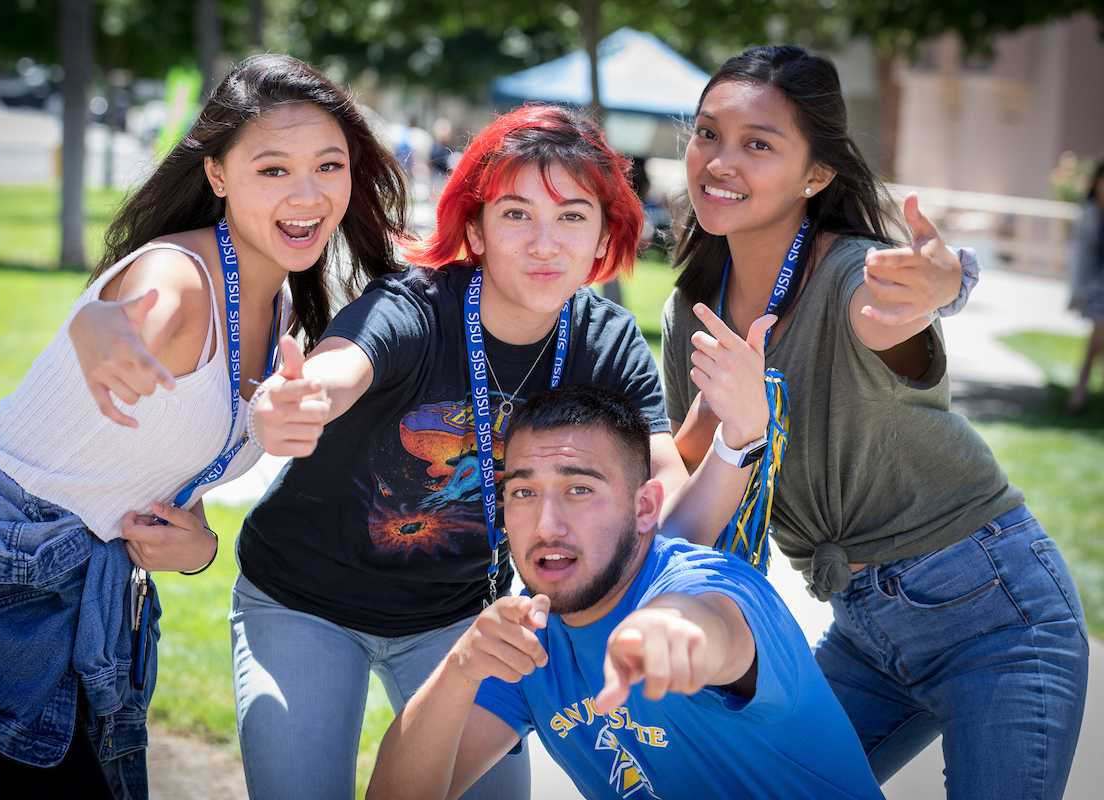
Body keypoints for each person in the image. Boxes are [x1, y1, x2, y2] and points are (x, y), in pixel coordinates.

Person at [229, 104, 770, 799]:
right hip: (303, 600)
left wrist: (738, 436)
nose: (545, 243)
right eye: (517, 215)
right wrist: (297, 401)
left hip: (459, 615)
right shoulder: (416, 304)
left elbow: (664, 518)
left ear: (605, 233)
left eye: (572, 216)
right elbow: (343, 365)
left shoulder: (605, 342)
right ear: (477, 228)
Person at [0, 54, 407, 800]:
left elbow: (169, 463)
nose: (307, 194)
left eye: (328, 165)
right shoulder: (180, 277)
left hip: (82, 595)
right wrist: (101, 325)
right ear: (218, 176)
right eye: (273, 169)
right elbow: (138, 307)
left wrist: (199, 546)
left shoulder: (286, 308)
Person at [660, 45, 1088, 797]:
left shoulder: (856, 277)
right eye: (706, 134)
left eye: (758, 144)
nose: (720, 161)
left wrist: (941, 285)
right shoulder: (687, 310)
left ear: (817, 174)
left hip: (996, 616)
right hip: (865, 633)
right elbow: (692, 485)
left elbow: (896, 306)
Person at [366, 384, 885, 800]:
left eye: (579, 490)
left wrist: (667, 634)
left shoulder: (707, 583)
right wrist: (461, 669)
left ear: (644, 509)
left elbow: (708, 623)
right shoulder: (532, 642)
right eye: (524, 493)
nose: (547, 524)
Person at [1067, 157, 1104, 413]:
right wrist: (1075, 292)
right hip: (1095, 286)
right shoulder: (1088, 212)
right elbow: (1079, 255)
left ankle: (1080, 391)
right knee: (1099, 336)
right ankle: (1079, 390)